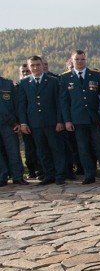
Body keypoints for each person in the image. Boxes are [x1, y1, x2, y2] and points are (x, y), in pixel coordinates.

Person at [60, 50, 100, 184]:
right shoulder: (65, 77)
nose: (80, 61)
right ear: (72, 60)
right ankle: (89, 174)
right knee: (83, 149)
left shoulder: (95, 75)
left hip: (95, 118)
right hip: (77, 119)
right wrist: (67, 120)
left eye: (82, 59)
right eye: (77, 59)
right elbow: (64, 101)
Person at [17, 55, 67, 185]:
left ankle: (60, 174)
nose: (35, 67)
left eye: (37, 65)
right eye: (32, 65)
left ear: (42, 65)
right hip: (35, 123)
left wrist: (60, 121)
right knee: (42, 150)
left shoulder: (53, 81)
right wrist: (23, 122)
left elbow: (59, 103)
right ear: (28, 67)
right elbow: (22, 104)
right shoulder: (24, 83)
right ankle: (48, 174)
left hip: (52, 122)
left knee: (57, 149)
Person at [0, 73, 25, 185]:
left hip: (8, 124)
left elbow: (16, 104)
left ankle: (18, 176)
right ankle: (2, 177)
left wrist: (18, 122)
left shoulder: (7, 84)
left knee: (13, 151)